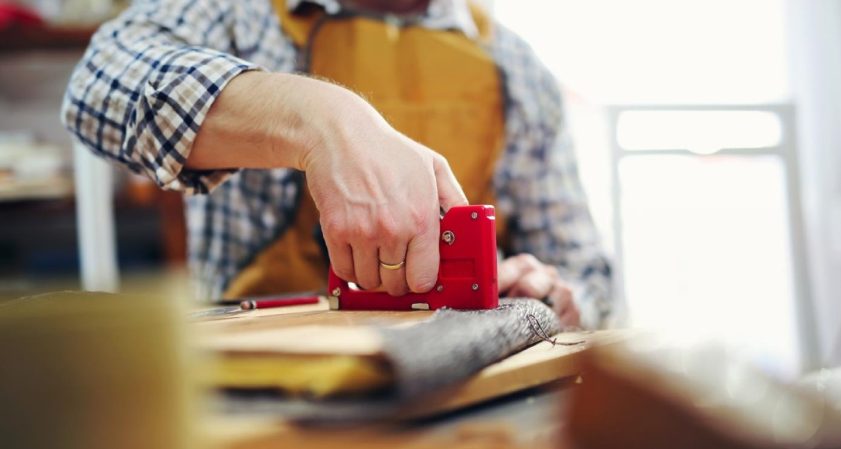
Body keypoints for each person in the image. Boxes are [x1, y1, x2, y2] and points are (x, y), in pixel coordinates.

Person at [62, 0, 612, 328]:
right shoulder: (239, 13)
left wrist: (548, 297)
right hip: (268, 376)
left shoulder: (516, 66)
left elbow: (590, 278)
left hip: (463, 380)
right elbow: (94, 90)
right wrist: (323, 121)